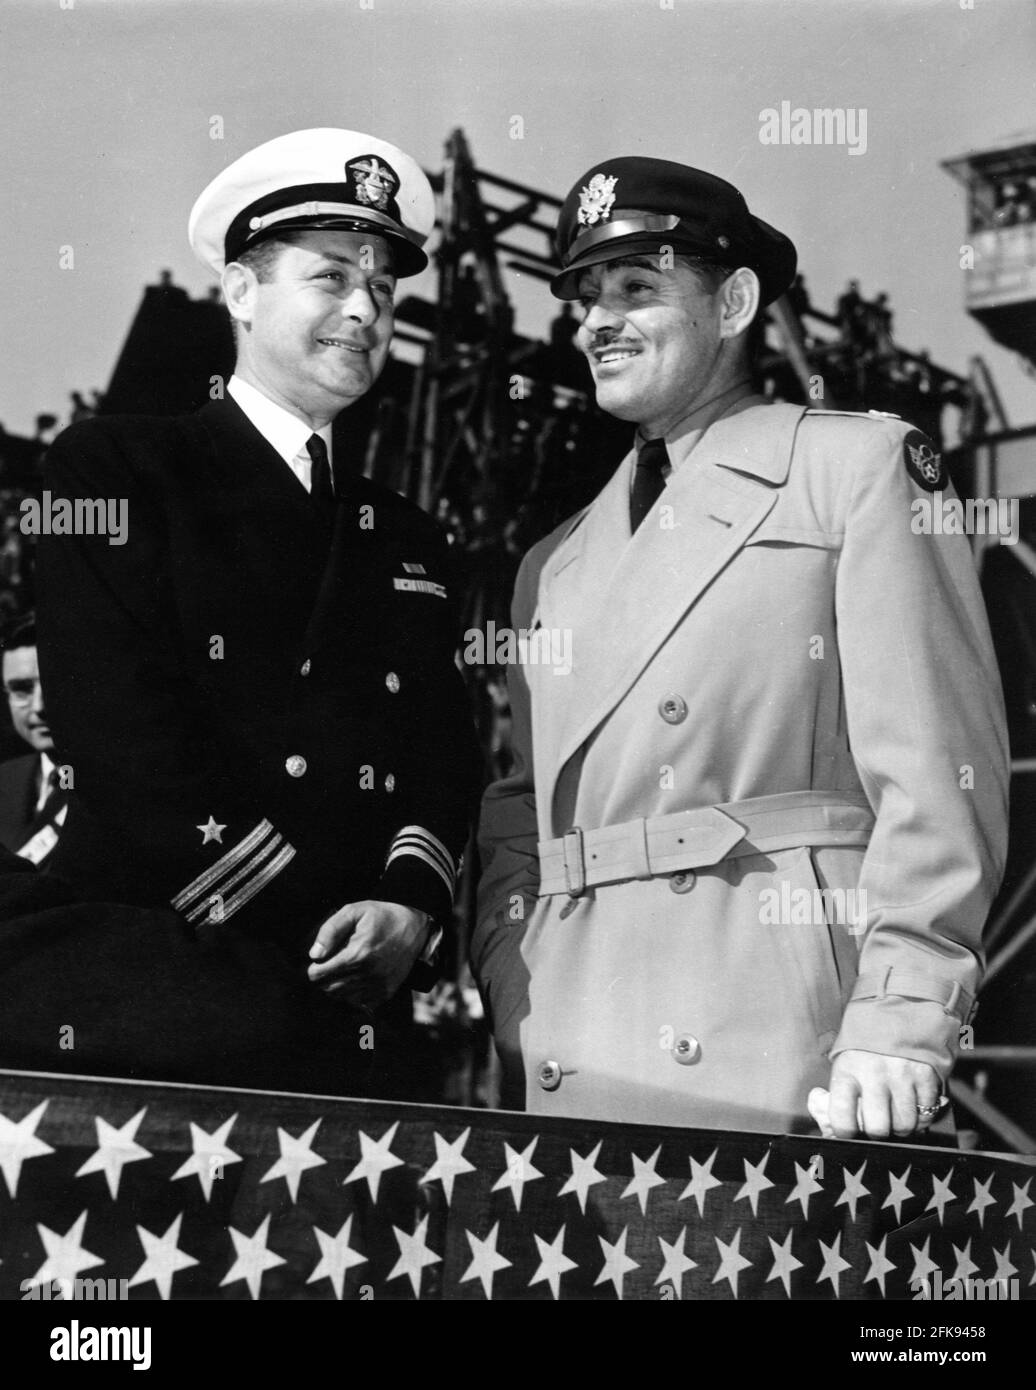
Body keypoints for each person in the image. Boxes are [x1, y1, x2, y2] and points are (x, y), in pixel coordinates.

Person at [472, 156, 1009, 1139]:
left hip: (777, 1041)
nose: (595, 320)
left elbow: (941, 773)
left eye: (636, 288)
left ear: (733, 302)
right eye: (584, 296)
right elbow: (516, 813)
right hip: (568, 1043)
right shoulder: (551, 563)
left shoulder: (858, 468)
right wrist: (519, 981)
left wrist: (901, 1017)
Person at [35, 128, 481, 1098]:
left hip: (361, 1028)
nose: (366, 309)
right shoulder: (114, 470)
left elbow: (448, 741)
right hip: (165, 1008)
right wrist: (329, 924)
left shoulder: (406, 534)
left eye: (384, 287)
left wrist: (408, 907)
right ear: (241, 292)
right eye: (330, 276)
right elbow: (120, 736)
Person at [0, 614, 67, 866]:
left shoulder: (109, 780)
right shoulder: (5, 777)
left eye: (53, 685)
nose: (39, 706)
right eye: (21, 689)